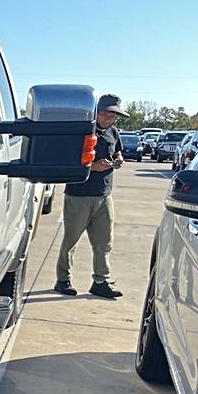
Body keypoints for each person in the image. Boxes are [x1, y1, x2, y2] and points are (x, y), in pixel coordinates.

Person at [54, 94, 128, 299]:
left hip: (104, 194)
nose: (109, 119)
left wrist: (118, 159)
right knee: (71, 240)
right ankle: (63, 279)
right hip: (79, 195)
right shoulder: (82, 131)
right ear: (96, 112)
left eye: (113, 116)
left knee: (104, 242)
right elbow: (69, 161)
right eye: (106, 114)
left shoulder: (113, 132)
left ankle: (101, 281)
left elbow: (117, 151)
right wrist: (93, 167)